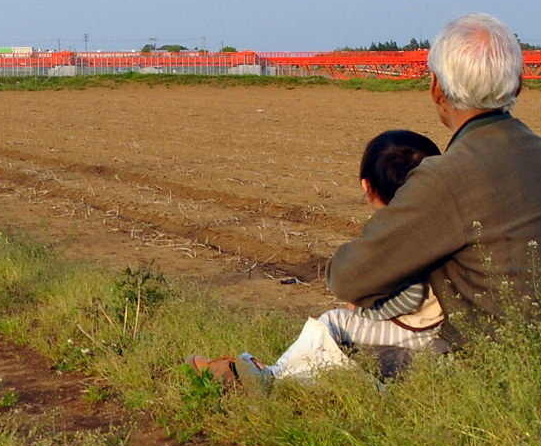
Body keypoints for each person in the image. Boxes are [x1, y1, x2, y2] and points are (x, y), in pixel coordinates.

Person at [326, 13, 541, 362]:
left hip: (506, 374)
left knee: (338, 333)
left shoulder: (446, 175)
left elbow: (346, 277)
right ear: (519, 84)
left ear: (435, 88)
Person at [187, 130, 446, 386]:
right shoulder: (435, 222)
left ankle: (272, 377)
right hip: (430, 327)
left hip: (416, 331)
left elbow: (412, 295)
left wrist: (365, 310)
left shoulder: (397, 233)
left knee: (332, 322)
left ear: (366, 187)